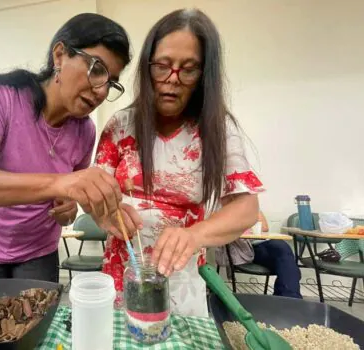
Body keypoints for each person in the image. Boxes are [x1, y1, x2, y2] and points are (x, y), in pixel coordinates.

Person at [0, 13, 141, 281]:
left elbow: (68, 196)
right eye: (96, 69)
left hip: (38, 253)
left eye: (111, 82)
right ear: (59, 55)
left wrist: (70, 208)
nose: (101, 91)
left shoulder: (85, 130)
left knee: (39, 322)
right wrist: (62, 183)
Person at [95, 9, 263, 316]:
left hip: (181, 282)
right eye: (162, 66)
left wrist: (193, 235)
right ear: (147, 68)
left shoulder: (217, 129)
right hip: (123, 275)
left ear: (203, 76)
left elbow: (246, 208)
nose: (172, 80)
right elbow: (95, 199)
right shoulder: (120, 126)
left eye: (188, 70)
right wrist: (107, 213)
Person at [251, 212, 302, 299]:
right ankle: (290, 300)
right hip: (248, 248)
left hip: (264, 243)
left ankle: (287, 299)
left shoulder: (248, 205)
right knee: (289, 267)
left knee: (283, 249)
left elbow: (264, 227)